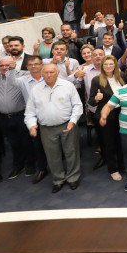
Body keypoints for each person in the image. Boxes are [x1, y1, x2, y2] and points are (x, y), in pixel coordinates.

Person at [24, 63, 83, 193]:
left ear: (57, 73)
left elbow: (77, 106)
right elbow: (29, 111)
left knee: (71, 152)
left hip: (68, 125)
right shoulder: (36, 90)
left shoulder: (68, 86)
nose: (49, 75)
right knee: (52, 155)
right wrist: (32, 125)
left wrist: (73, 121)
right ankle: (58, 179)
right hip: (46, 129)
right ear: (42, 74)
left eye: (52, 72)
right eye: (46, 72)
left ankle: (73, 178)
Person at [0, 56, 31, 180]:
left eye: (8, 65)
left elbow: (38, 72)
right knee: (13, 143)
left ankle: (30, 164)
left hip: (21, 115)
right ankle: (18, 165)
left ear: (14, 65)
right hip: (3, 118)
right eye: (2, 66)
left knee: (26, 141)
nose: (5, 68)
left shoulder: (23, 75)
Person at [88, 55, 125, 182]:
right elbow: (91, 102)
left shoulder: (122, 77)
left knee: (121, 142)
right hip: (106, 115)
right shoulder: (97, 80)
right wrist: (96, 99)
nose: (108, 66)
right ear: (102, 66)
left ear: (115, 65)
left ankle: (122, 165)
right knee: (108, 144)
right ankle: (113, 169)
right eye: (105, 64)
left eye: (111, 64)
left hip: (122, 114)